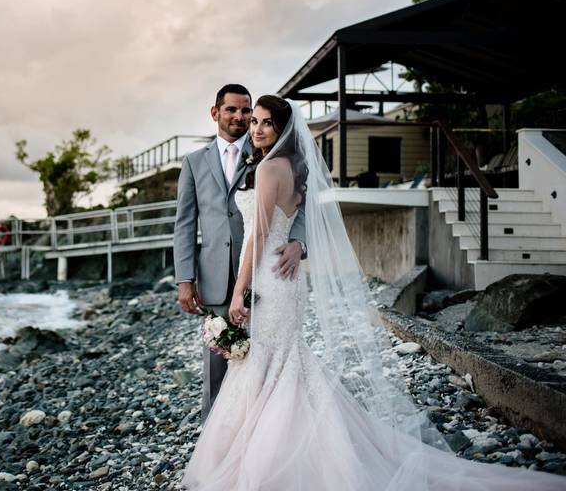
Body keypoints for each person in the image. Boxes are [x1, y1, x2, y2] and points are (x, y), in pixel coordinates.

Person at [181, 95, 566, 490]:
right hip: (287, 282)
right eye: (254, 122)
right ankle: (283, 443)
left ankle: (269, 457)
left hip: (268, 276)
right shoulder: (295, 169)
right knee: (281, 361)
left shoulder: (267, 170)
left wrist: (240, 289)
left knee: (270, 362)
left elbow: (259, 235)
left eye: (265, 123)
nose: (256, 129)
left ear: (282, 130)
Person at [173, 84, 307, 422]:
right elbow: (185, 223)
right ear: (215, 112)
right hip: (216, 275)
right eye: (232, 110)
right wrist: (184, 279)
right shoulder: (194, 162)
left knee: (266, 354)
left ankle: (263, 433)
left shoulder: (270, 150)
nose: (242, 117)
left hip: (266, 273)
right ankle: (216, 436)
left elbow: (304, 201)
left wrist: (299, 243)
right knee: (220, 359)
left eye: (246, 111)